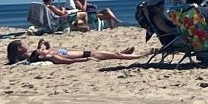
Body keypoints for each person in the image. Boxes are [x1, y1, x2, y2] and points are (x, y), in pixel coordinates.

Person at [8, 38, 139, 66]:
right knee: (97, 53)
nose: (26, 44)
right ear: (19, 49)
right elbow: (37, 55)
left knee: (108, 54)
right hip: (77, 54)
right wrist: (42, 47)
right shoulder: (26, 55)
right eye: (23, 44)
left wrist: (41, 47)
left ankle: (120, 53)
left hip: (64, 52)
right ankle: (125, 54)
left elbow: (38, 54)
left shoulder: (28, 53)